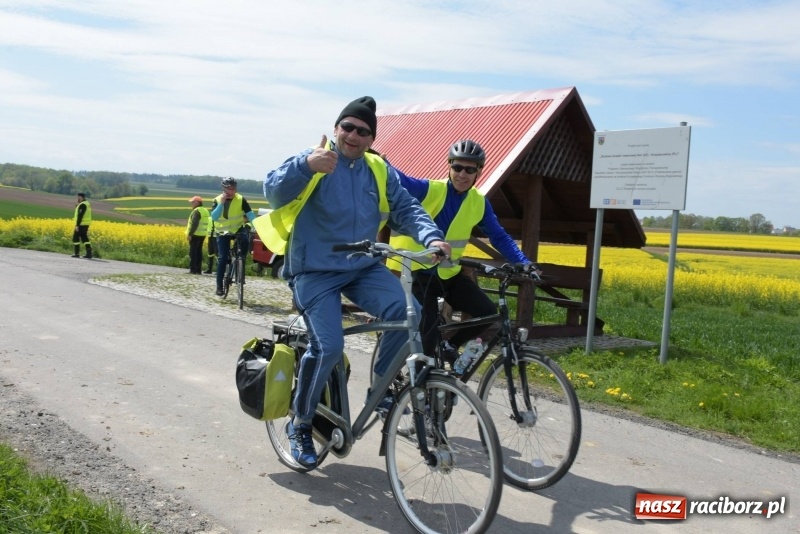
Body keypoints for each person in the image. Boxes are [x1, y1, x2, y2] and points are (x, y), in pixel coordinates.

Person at [262, 96, 450, 470]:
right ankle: (300, 424)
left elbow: (406, 208)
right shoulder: (315, 159)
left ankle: (380, 388)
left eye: (363, 131)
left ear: (371, 138)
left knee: (405, 310)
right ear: (336, 129)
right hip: (314, 271)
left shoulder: (378, 169)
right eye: (347, 126)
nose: (353, 134)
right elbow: (273, 191)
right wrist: (305, 166)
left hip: (362, 268)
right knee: (329, 346)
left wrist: (431, 236)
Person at [390, 139, 533, 366]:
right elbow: (400, 180)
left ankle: (450, 345)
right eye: (457, 167)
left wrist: (524, 262)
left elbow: (499, 236)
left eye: (469, 169)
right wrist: (380, 160)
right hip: (418, 274)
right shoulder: (431, 189)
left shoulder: (479, 202)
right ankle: (417, 390)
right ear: (449, 166)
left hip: (448, 275)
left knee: (486, 311)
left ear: (479, 172)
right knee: (426, 338)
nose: (462, 174)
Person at [210, 177, 256, 296]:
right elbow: (214, 217)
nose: (231, 191)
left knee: (245, 240)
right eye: (229, 189)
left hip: (237, 229)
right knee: (223, 257)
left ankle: (240, 260)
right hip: (222, 232)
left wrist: (256, 226)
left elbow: (250, 215)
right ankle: (219, 285)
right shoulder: (217, 200)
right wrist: (221, 203)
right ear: (224, 189)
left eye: (233, 189)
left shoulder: (241, 199)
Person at [185, 196, 209, 274]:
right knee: (199, 252)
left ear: (197, 202)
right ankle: (198, 269)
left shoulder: (196, 211)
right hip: (203, 234)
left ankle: (193, 269)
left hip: (195, 234)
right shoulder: (205, 210)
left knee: (193, 252)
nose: (191, 203)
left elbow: (194, 223)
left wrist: (190, 234)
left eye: (193, 202)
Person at [71, 192, 93, 259]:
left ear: (80, 197)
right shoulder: (87, 203)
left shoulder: (83, 205)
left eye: (78, 197)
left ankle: (76, 253)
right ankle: (89, 254)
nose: (77, 198)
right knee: (84, 238)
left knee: (75, 238)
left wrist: (77, 225)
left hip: (81, 224)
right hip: (86, 224)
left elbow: (80, 216)